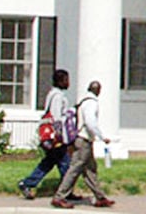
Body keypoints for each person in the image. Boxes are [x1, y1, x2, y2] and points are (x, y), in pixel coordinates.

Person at [51, 80, 115, 209]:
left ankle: (100, 197)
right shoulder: (91, 103)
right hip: (83, 140)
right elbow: (90, 122)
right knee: (75, 168)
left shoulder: (82, 101)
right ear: (97, 90)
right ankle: (59, 197)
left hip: (84, 140)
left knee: (90, 169)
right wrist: (101, 137)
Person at [18, 69, 79, 200]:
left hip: (52, 137)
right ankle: (65, 192)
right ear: (60, 81)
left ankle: (27, 183)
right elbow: (56, 116)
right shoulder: (57, 96)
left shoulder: (53, 94)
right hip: (55, 137)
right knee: (65, 165)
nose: (68, 83)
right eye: (66, 80)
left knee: (48, 163)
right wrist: (60, 135)